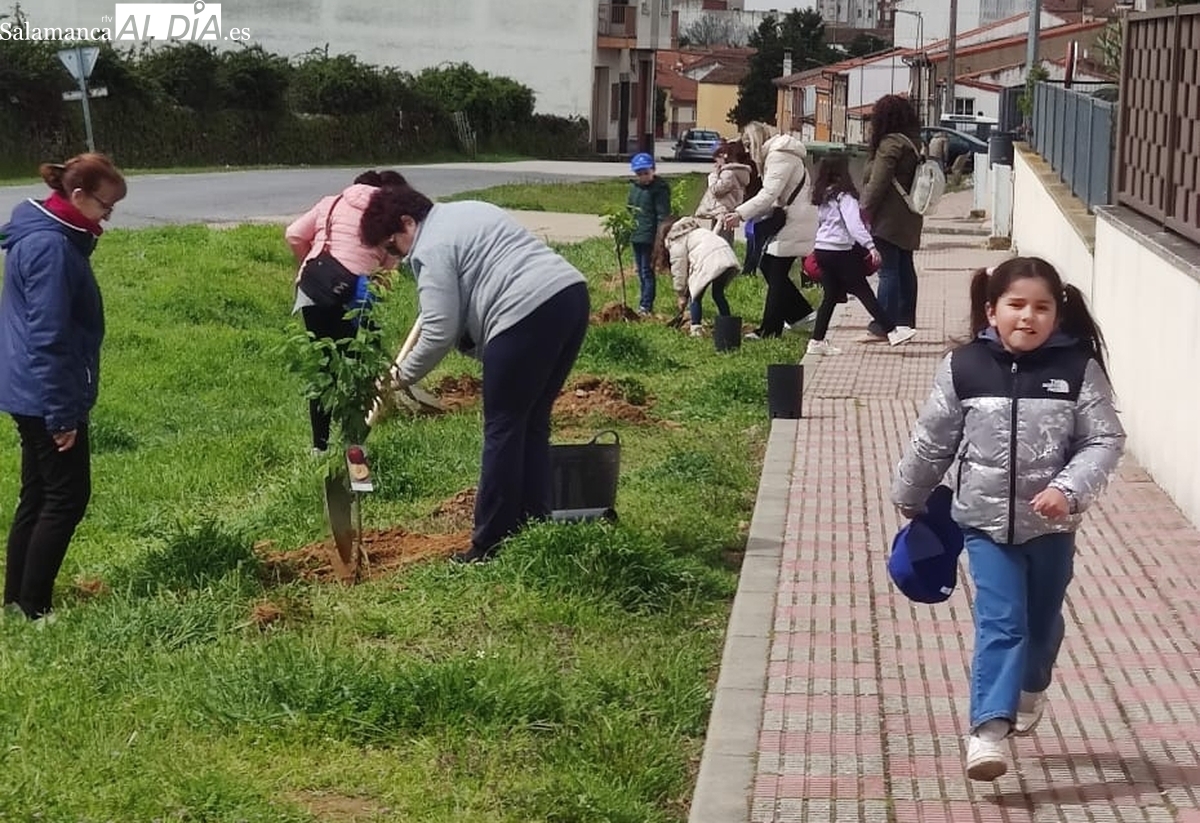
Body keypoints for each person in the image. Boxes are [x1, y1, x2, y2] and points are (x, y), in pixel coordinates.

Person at [891, 257, 1125, 782]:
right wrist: (910, 494)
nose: (1028, 317)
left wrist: (1066, 490)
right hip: (984, 524)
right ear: (991, 310)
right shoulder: (965, 367)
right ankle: (986, 733)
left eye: (1041, 307)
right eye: (1016, 305)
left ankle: (1031, 687)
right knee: (1002, 623)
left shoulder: (1075, 369)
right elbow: (933, 441)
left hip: (1052, 530)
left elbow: (1104, 439)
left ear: (1057, 315)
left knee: (1041, 627)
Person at [359, 184, 590, 564]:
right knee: (530, 423)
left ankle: (488, 545)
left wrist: (396, 378)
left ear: (407, 222)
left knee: (503, 429)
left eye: (392, 246)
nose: (394, 257)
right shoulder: (465, 211)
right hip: (569, 297)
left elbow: (438, 331)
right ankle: (533, 524)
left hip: (523, 313)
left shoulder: (431, 249)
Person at [0, 153, 127, 620]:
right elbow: (48, 335)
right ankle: (34, 608)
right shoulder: (52, 247)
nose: (106, 218)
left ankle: (17, 600)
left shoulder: (45, 235)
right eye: (105, 207)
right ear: (77, 196)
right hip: (44, 389)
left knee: (38, 494)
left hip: (27, 384)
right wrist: (61, 414)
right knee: (66, 497)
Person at [285, 169, 404, 452]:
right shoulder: (386, 215)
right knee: (361, 367)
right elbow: (387, 272)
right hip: (352, 298)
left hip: (312, 290)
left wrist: (313, 264)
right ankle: (354, 447)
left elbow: (293, 234)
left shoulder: (332, 202)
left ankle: (319, 448)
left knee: (323, 367)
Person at [807, 154, 916, 355]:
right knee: (863, 291)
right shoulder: (845, 197)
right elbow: (854, 225)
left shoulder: (822, 196)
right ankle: (892, 331)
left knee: (830, 296)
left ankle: (816, 341)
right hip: (840, 251)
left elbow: (820, 223)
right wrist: (870, 246)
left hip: (822, 250)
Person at [722, 122, 815, 339]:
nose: (746, 150)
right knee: (770, 267)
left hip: (795, 220)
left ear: (755, 141)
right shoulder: (780, 153)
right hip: (795, 217)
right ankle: (802, 315)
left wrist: (740, 213)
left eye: (747, 144)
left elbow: (769, 193)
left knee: (774, 270)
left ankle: (770, 330)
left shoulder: (779, 155)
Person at [862, 95, 925, 334]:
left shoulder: (890, 145)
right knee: (904, 266)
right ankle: (905, 320)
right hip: (910, 214)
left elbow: (878, 183)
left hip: (888, 217)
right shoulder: (914, 142)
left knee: (888, 270)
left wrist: (864, 210)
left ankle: (883, 323)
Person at [654, 215, 740, 337]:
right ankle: (727, 325)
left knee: (696, 296)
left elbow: (679, 269)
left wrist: (681, 295)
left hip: (708, 260)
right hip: (726, 256)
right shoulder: (696, 231)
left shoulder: (676, 240)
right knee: (718, 294)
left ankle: (696, 329)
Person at [626, 152, 671, 317]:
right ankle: (643, 300)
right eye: (639, 174)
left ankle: (646, 305)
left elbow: (663, 215)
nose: (643, 177)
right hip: (636, 235)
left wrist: (660, 238)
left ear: (653, 170)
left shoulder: (659, 189)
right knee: (640, 270)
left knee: (647, 271)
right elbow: (629, 209)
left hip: (650, 237)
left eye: (646, 172)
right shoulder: (634, 188)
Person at [695, 142, 753, 245]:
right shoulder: (739, 172)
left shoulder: (728, 173)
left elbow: (716, 191)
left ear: (724, 157)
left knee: (718, 242)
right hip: (730, 210)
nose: (715, 163)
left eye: (717, 160)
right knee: (727, 240)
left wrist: (713, 177)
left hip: (722, 211)